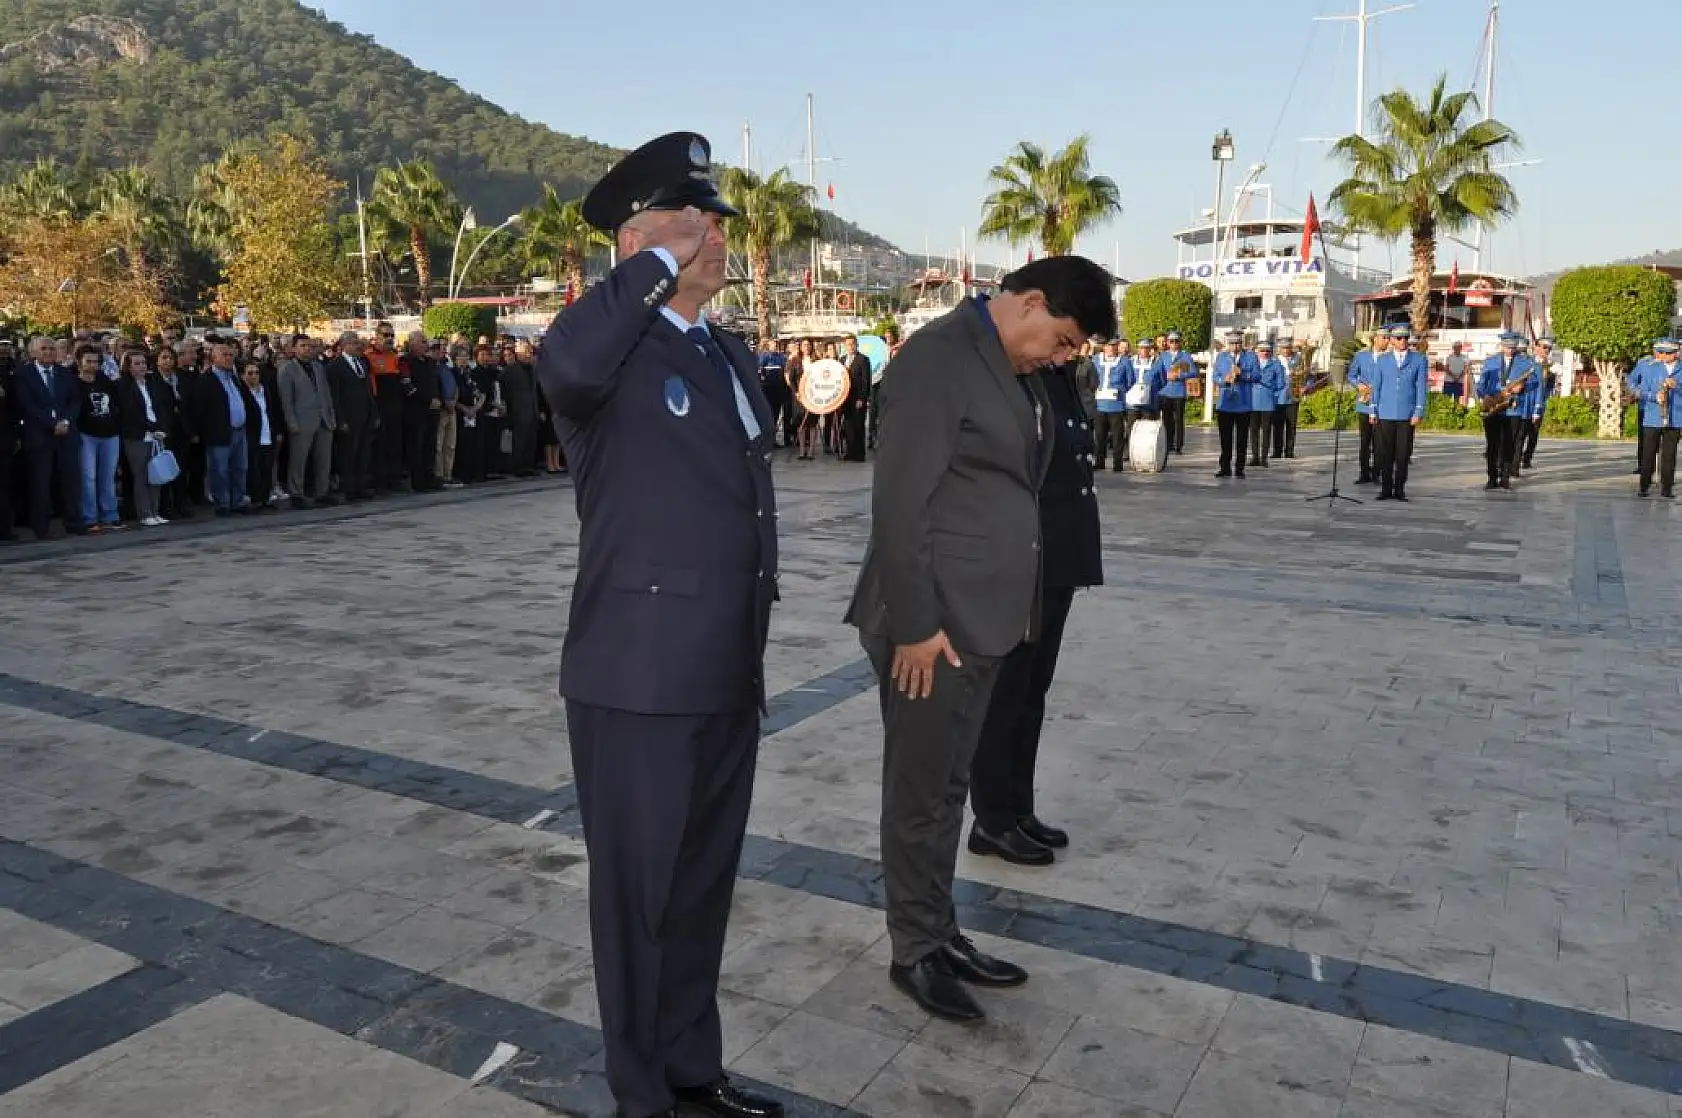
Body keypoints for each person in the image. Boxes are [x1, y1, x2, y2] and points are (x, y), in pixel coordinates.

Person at [533, 132, 781, 1118]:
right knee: (636, 902)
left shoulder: (718, 347)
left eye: (713, 222)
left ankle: (690, 1070)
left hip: (723, 666)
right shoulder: (607, 352)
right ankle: (641, 1093)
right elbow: (563, 359)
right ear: (639, 241)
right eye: (693, 222)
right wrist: (653, 259)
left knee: (698, 891)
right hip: (637, 676)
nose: (713, 236)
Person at [845, 254, 1116, 1023]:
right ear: (1029, 303)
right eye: (1062, 340)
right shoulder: (940, 360)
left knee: (950, 789)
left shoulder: (1004, 364)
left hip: (980, 616)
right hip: (932, 625)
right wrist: (918, 626)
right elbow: (899, 508)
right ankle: (914, 950)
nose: (1061, 359)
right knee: (921, 793)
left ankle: (940, 930)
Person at [967, 347, 1102, 867]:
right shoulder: (1016, 375)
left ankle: (1017, 809)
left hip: (1057, 557)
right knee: (1006, 696)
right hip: (1026, 557)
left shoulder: (1058, 374)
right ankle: (993, 819)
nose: (1075, 344)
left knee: (1030, 694)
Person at [16, 336, 85, 539]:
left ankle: (73, 521)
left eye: (52, 349)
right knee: (40, 482)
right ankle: (41, 526)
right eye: (44, 349)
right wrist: (51, 423)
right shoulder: (24, 375)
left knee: (70, 480)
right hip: (40, 436)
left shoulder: (65, 373)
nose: (48, 352)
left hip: (66, 435)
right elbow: (27, 404)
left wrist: (65, 421)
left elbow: (74, 401)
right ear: (33, 352)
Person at [1370, 324, 1428, 501]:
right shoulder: (1382, 360)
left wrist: (1418, 410)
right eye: (1398, 338)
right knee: (1385, 453)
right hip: (1385, 412)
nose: (1402, 341)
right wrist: (1373, 409)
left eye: (1405, 338)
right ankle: (1386, 488)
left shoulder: (1418, 359)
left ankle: (1400, 488)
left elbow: (1420, 387)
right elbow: (1377, 387)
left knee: (1402, 454)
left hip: (1406, 413)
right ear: (1392, 341)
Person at [1476, 333, 1529, 491]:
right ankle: (1492, 477)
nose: (1510, 350)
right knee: (1492, 445)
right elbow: (1481, 386)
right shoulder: (1490, 362)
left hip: (1513, 410)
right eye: (1507, 347)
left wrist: (1522, 387)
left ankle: (1505, 478)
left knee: (1509, 445)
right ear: (1501, 346)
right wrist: (1487, 397)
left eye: (1513, 347)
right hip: (1493, 408)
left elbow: (1534, 383)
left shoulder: (1523, 363)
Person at [1629, 338, 1680, 498]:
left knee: (1669, 454)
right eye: (1662, 352)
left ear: (1675, 353)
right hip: (1652, 415)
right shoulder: (1648, 366)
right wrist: (1651, 396)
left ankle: (1667, 488)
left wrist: (1677, 386)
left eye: (1669, 353)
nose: (1664, 356)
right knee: (1648, 452)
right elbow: (1632, 383)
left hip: (1676, 416)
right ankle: (1644, 486)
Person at [1348, 330, 1388, 484]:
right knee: (1365, 441)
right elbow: (1351, 375)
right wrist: (1359, 385)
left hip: (1382, 405)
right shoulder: (1361, 356)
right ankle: (1364, 473)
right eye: (1384, 338)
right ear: (1375, 339)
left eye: (1388, 338)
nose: (1387, 340)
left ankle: (1377, 473)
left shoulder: (1390, 358)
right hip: (1365, 403)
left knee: (1380, 442)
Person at [1212, 332, 1254, 478]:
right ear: (1227, 344)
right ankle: (1225, 467)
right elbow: (1214, 377)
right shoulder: (1221, 357)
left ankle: (1240, 468)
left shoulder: (1250, 357)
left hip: (1243, 403)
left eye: (1237, 343)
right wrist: (1224, 379)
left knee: (1242, 439)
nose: (1234, 347)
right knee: (1225, 438)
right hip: (1225, 404)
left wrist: (1242, 374)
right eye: (1231, 344)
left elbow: (1257, 376)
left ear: (1241, 343)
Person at [1090, 339, 1128, 470]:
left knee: (1117, 436)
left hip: (1116, 404)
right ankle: (1099, 462)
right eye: (1109, 346)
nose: (1111, 348)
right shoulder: (1095, 360)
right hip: (1100, 403)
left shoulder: (1124, 361)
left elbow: (1130, 380)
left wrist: (1120, 390)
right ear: (1104, 347)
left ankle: (1117, 464)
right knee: (1100, 435)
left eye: (1114, 346)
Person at [1520, 335, 1557, 469]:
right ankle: (1516, 457)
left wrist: (1542, 399)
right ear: (1536, 347)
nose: (1546, 350)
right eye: (1544, 347)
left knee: (1533, 433)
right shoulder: (1527, 362)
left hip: (1539, 403)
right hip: (1524, 402)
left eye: (1549, 348)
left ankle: (1527, 458)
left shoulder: (1550, 366)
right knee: (1521, 432)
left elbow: (1549, 386)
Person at [1248, 339, 1282, 469]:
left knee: (1267, 430)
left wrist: (1274, 395)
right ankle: (1255, 457)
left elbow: (1280, 383)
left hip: (1268, 401)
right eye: (1262, 350)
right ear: (1257, 352)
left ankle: (1264, 458)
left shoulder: (1275, 364)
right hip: (1253, 401)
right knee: (1254, 430)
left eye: (1267, 351)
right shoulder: (1252, 364)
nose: (1265, 353)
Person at [1157, 330, 1192, 454]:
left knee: (1178, 419)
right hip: (1165, 391)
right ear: (1168, 343)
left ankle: (1178, 445)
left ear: (1180, 342)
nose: (1174, 344)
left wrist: (1179, 375)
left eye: (1176, 341)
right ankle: (1168, 443)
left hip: (1178, 391)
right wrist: (1164, 377)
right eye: (1171, 341)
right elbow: (1157, 371)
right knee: (1167, 419)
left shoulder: (1185, 355)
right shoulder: (1163, 356)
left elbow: (1192, 372)